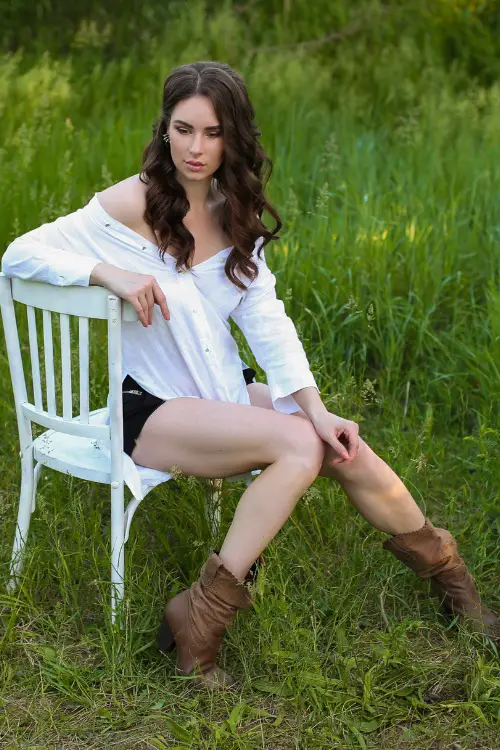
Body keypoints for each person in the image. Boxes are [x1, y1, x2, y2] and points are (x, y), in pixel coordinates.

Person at [2, 61, 498, 689]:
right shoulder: (131, 203)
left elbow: (269, 324)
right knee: (296, 445)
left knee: (337, 443)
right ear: (165, 130)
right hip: (147, 409)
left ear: (233, 137)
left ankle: (458, 592)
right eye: (182, 130)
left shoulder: (235, 215)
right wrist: (108, 274)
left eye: (212, 133)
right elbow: (19, 252)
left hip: (220, 397)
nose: (195, 148)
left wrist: (315, 408)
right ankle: (199, 625)